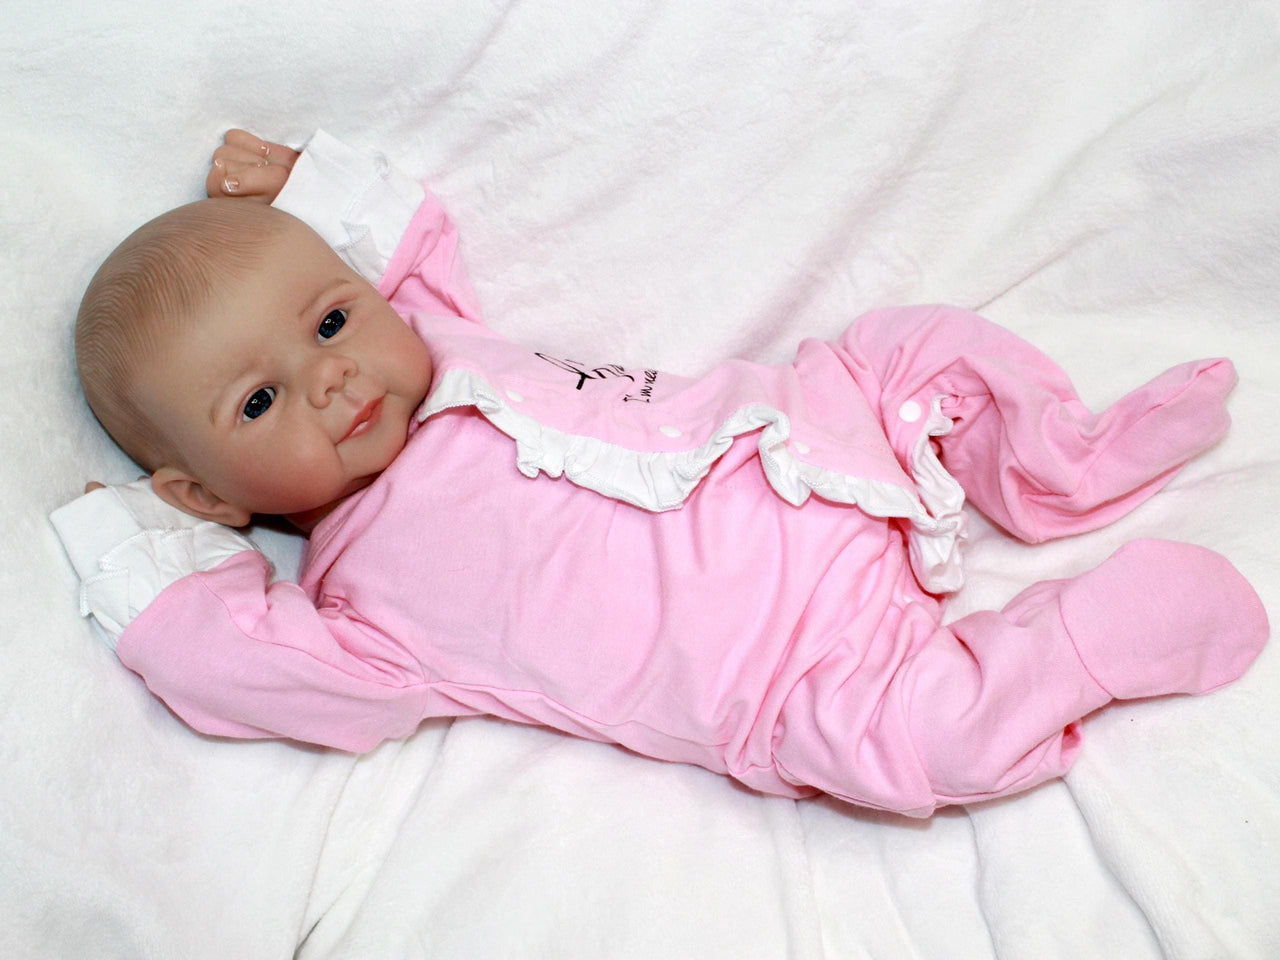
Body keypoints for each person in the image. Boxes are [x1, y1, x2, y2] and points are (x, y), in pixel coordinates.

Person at [51, 128, 1269, 818]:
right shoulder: (361, 613)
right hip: (799, 673)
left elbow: (406, 245)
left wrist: (303, 190)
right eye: (258, 400)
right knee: (921, 748)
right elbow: (249, 670)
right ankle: (1086, 644)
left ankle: (1061, 461)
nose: (329, 380)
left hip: (819, 447)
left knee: (912, 349)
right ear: (207, 498)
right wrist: (140, 563)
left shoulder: (438, 343)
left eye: (327, 322)